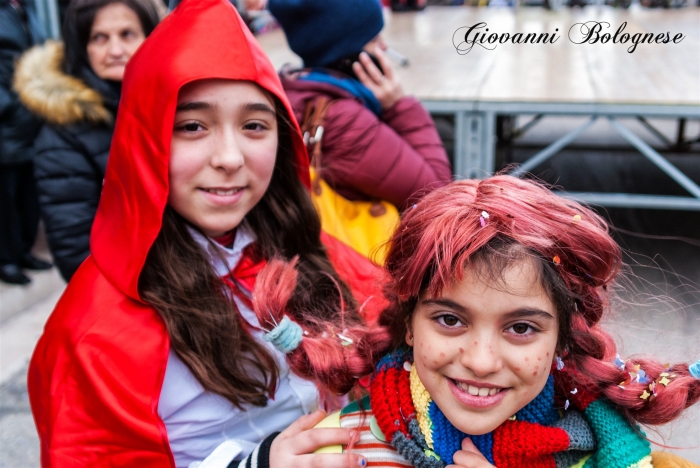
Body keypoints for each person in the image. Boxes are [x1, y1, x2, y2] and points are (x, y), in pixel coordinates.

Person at [28, 0, 388, 466]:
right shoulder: (92, 333)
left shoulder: (313, 254)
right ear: (144, 140)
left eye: (254, 125)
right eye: (193, 126)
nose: (230, 157)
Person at [311, 176, 700, 467]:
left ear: (563, 338)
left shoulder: (629, 456)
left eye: (521, 328)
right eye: (449, 319)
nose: (481, 362)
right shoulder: (333, 451)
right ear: (409, 324)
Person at [14, 0, 160, 282]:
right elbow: (76, 252)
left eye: (127, 34)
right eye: (99, 38)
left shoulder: (178, 105)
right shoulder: (61, 135)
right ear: (83, 48)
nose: (116, 50)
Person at [268, 0, 452, 211]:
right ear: (347, 55)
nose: (383, 47)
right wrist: (399, 106)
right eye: (373, 39)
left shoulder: (299, 87)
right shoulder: (344, 120)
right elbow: (438, 196)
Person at [0, 0, 51, 285]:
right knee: (5, 198)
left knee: (28, 195)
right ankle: (7, 259)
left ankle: (23, 251)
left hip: (31, 119)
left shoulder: (27, 8)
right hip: (8, 122)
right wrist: (7, 105)